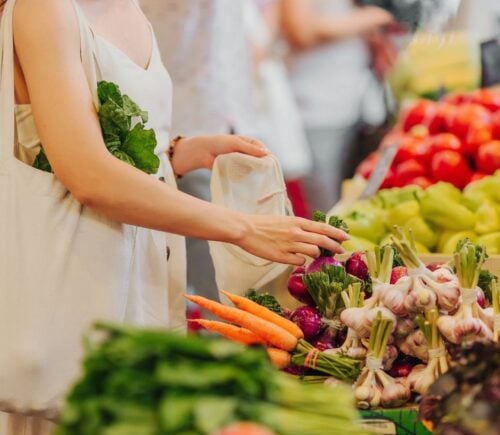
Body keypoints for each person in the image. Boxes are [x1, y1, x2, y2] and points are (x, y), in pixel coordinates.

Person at [0, 0, 348, 433]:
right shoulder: (44, 9)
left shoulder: (126, 7)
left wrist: (180, 152)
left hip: (135, 276)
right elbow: (86, 174)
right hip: (74, 285)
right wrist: (243, 228)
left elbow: (102, 141)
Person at [281, 0, 398, 211]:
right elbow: (299, 29)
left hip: (350, 106)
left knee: (350, 203)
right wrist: (369, 17)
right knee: (327, 210)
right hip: (317, 108)